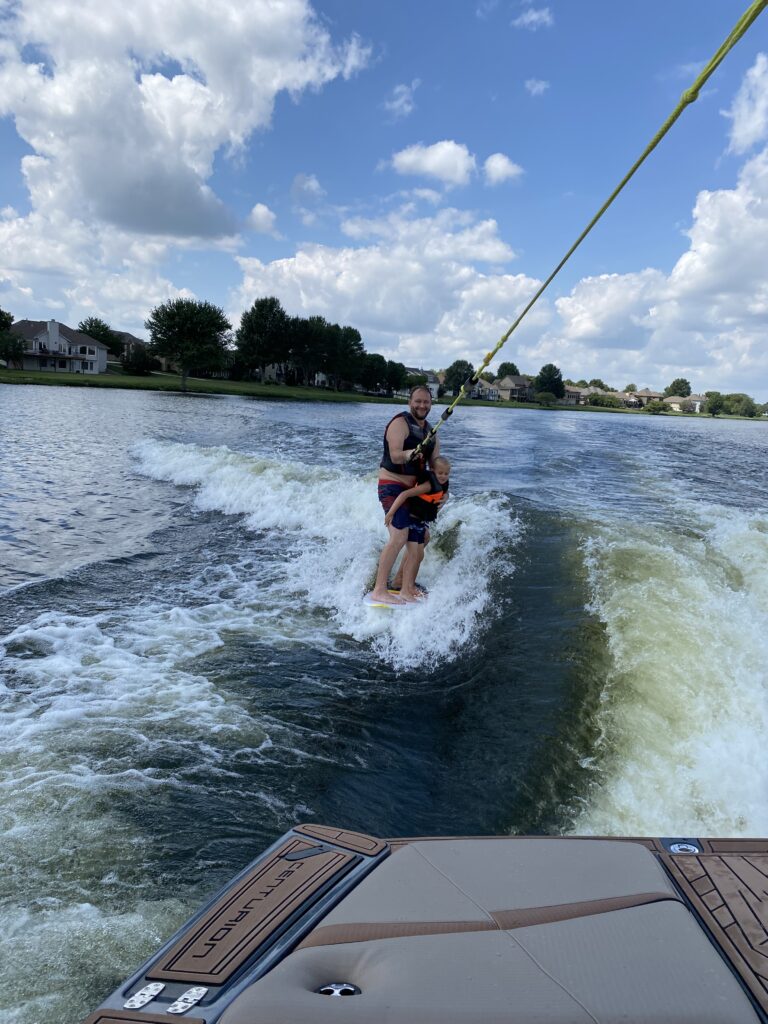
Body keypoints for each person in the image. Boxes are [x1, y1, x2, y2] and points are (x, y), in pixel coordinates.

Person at [370, 385, 440, 605]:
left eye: (426, 402)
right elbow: (396, 456)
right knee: (400, 536)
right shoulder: (399, 423)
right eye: (418, 401)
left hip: (413, 492)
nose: (422, 405)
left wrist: (440, 488)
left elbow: (434, 466)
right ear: (410, 402)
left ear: (431, 404)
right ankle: (379, 589)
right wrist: (411, 453)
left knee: (423, 537)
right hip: (391, 485)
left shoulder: (432, 432)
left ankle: (402, 581)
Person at [383, 456, 450, 598]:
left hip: (421, 522)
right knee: (414, 556)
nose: (443, 476)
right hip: (412, 521)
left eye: (446, 473)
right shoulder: (428, 484)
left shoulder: (441, 483)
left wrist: (447, 496)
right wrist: (390, 513)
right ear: (432, 471)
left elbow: (443, 493)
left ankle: (408, 585)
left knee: (419, 555)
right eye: (440, 473)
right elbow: (404, 494)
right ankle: (405, 590)